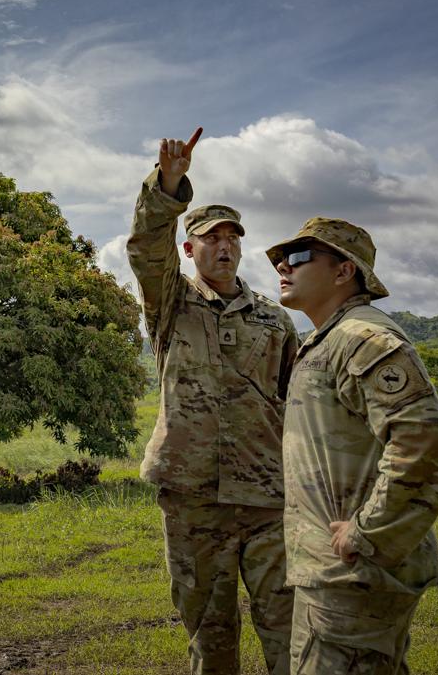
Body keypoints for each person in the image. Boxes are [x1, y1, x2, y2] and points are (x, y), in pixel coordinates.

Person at [128, 127, 298, 674]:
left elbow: (296, 404)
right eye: (210, 238)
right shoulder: (170, 303)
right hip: (194, 498)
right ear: (189, 248)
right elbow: (145, 249)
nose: (224, 247)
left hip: (268, 497)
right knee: (212, 634)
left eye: (232, 238)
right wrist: (166, 185)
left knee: (290, 631)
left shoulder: (275, 320)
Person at [267, 218, 438, 674]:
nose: (282, 267)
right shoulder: (328, 338)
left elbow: (424, 437)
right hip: (337, 573)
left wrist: (368, 532)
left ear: (343, 271)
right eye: (280, 259)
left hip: (350, 573)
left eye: (298, 256)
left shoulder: (362, 339)